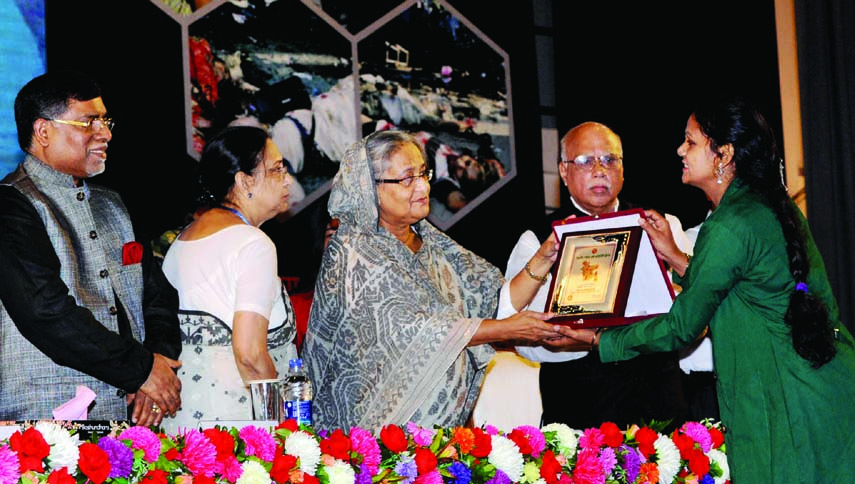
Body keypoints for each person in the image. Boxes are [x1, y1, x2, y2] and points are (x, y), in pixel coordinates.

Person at [562, 96, 855, 482]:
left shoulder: (730, 223)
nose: (680, 150)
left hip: (787, 399)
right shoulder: (764, 204)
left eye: (691, 141)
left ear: (723, 154)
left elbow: (681, 326)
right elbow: (739, 287)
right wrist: (673, 253)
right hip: (819, 385)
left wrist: (600, 341)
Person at [303, 130, 566, 433]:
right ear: (369, 187)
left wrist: (545, 258)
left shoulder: (433, 242)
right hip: (371, 434)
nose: (422, 187)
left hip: (442, 433)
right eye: (407, 179)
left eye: (423, 174)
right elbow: (418, 330)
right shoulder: (352, 249)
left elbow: (497, 302)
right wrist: (509, 329)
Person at [0, 71, 182, 426]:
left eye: (105, 120)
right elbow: (46, 312)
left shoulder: (112, 204)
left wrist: (156, 367)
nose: (106, 134)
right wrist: (141, 370)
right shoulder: (11, 204)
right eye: (89, 122)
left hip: (127, 418)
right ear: (43, 132)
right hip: (42, 424)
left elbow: (157, 297)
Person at [508, 122, 695, 432]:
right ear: (563, 172)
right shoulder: (538, 242)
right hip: (579, 413)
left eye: (610, 159)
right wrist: (601, 338)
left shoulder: (662, 226)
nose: (599, 170)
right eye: (584, 161)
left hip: (659, 410)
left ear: (622, 169)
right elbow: (525, 339)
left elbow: (694, 308)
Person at [161, 126, 298, 429]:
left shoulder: (185, 237)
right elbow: (249, 355)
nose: (287, 179)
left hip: (181, 424)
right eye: (276, 170)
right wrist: (285, 430)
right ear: (244, 181)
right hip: (234, 431)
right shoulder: (253, 244)